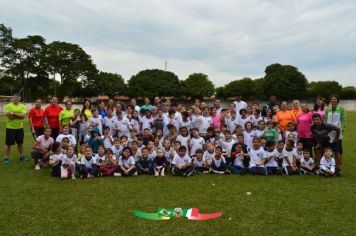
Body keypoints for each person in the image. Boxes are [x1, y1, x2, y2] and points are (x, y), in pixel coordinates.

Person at [3, 94, 27, 164]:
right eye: (14, 97)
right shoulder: (8, 106)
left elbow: (23, 116)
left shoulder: (22, 106)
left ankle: (22, 156)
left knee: (20, 143)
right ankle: (6, 158)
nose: (16, 98)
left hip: (20, 127)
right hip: (10, 127)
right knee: (8, 144)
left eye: (17, 97)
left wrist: (13, 113)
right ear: (12, 98)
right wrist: (19, 115)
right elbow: (9, 117)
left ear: (19, 99)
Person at [325, 94, 345, 168]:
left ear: (337, 100)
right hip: (330, 131)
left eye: (335, 99)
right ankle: (330, 163)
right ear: (330, 100)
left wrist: (341, 128)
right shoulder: (328, 109)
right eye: (332, 99)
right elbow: (326, 120)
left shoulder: (341, 108)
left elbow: (343, 119)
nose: (333, 100)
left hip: (337, 131)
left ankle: (337, 166)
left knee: (337, 149)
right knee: (330, 148)